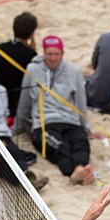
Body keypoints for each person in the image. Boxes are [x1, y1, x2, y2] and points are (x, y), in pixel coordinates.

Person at [17, 36, 97, 186]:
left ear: (62, 54)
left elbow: (81, 102)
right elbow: (25, 100)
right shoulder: (33, 69)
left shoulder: (74, 71)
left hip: (70, 121)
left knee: (81, 143)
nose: (53, 58)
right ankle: (73, 174)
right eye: (49, 54)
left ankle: (80, 168)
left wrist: (85, 127)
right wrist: (18, 126)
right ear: (43, 53)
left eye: (56, 54)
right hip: (44, 123)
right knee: (60, 148)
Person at [0, 12, 39, 122]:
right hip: (18, 103)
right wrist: (32, 52)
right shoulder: (30, 55)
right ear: (32, 34)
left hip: (1, 99)